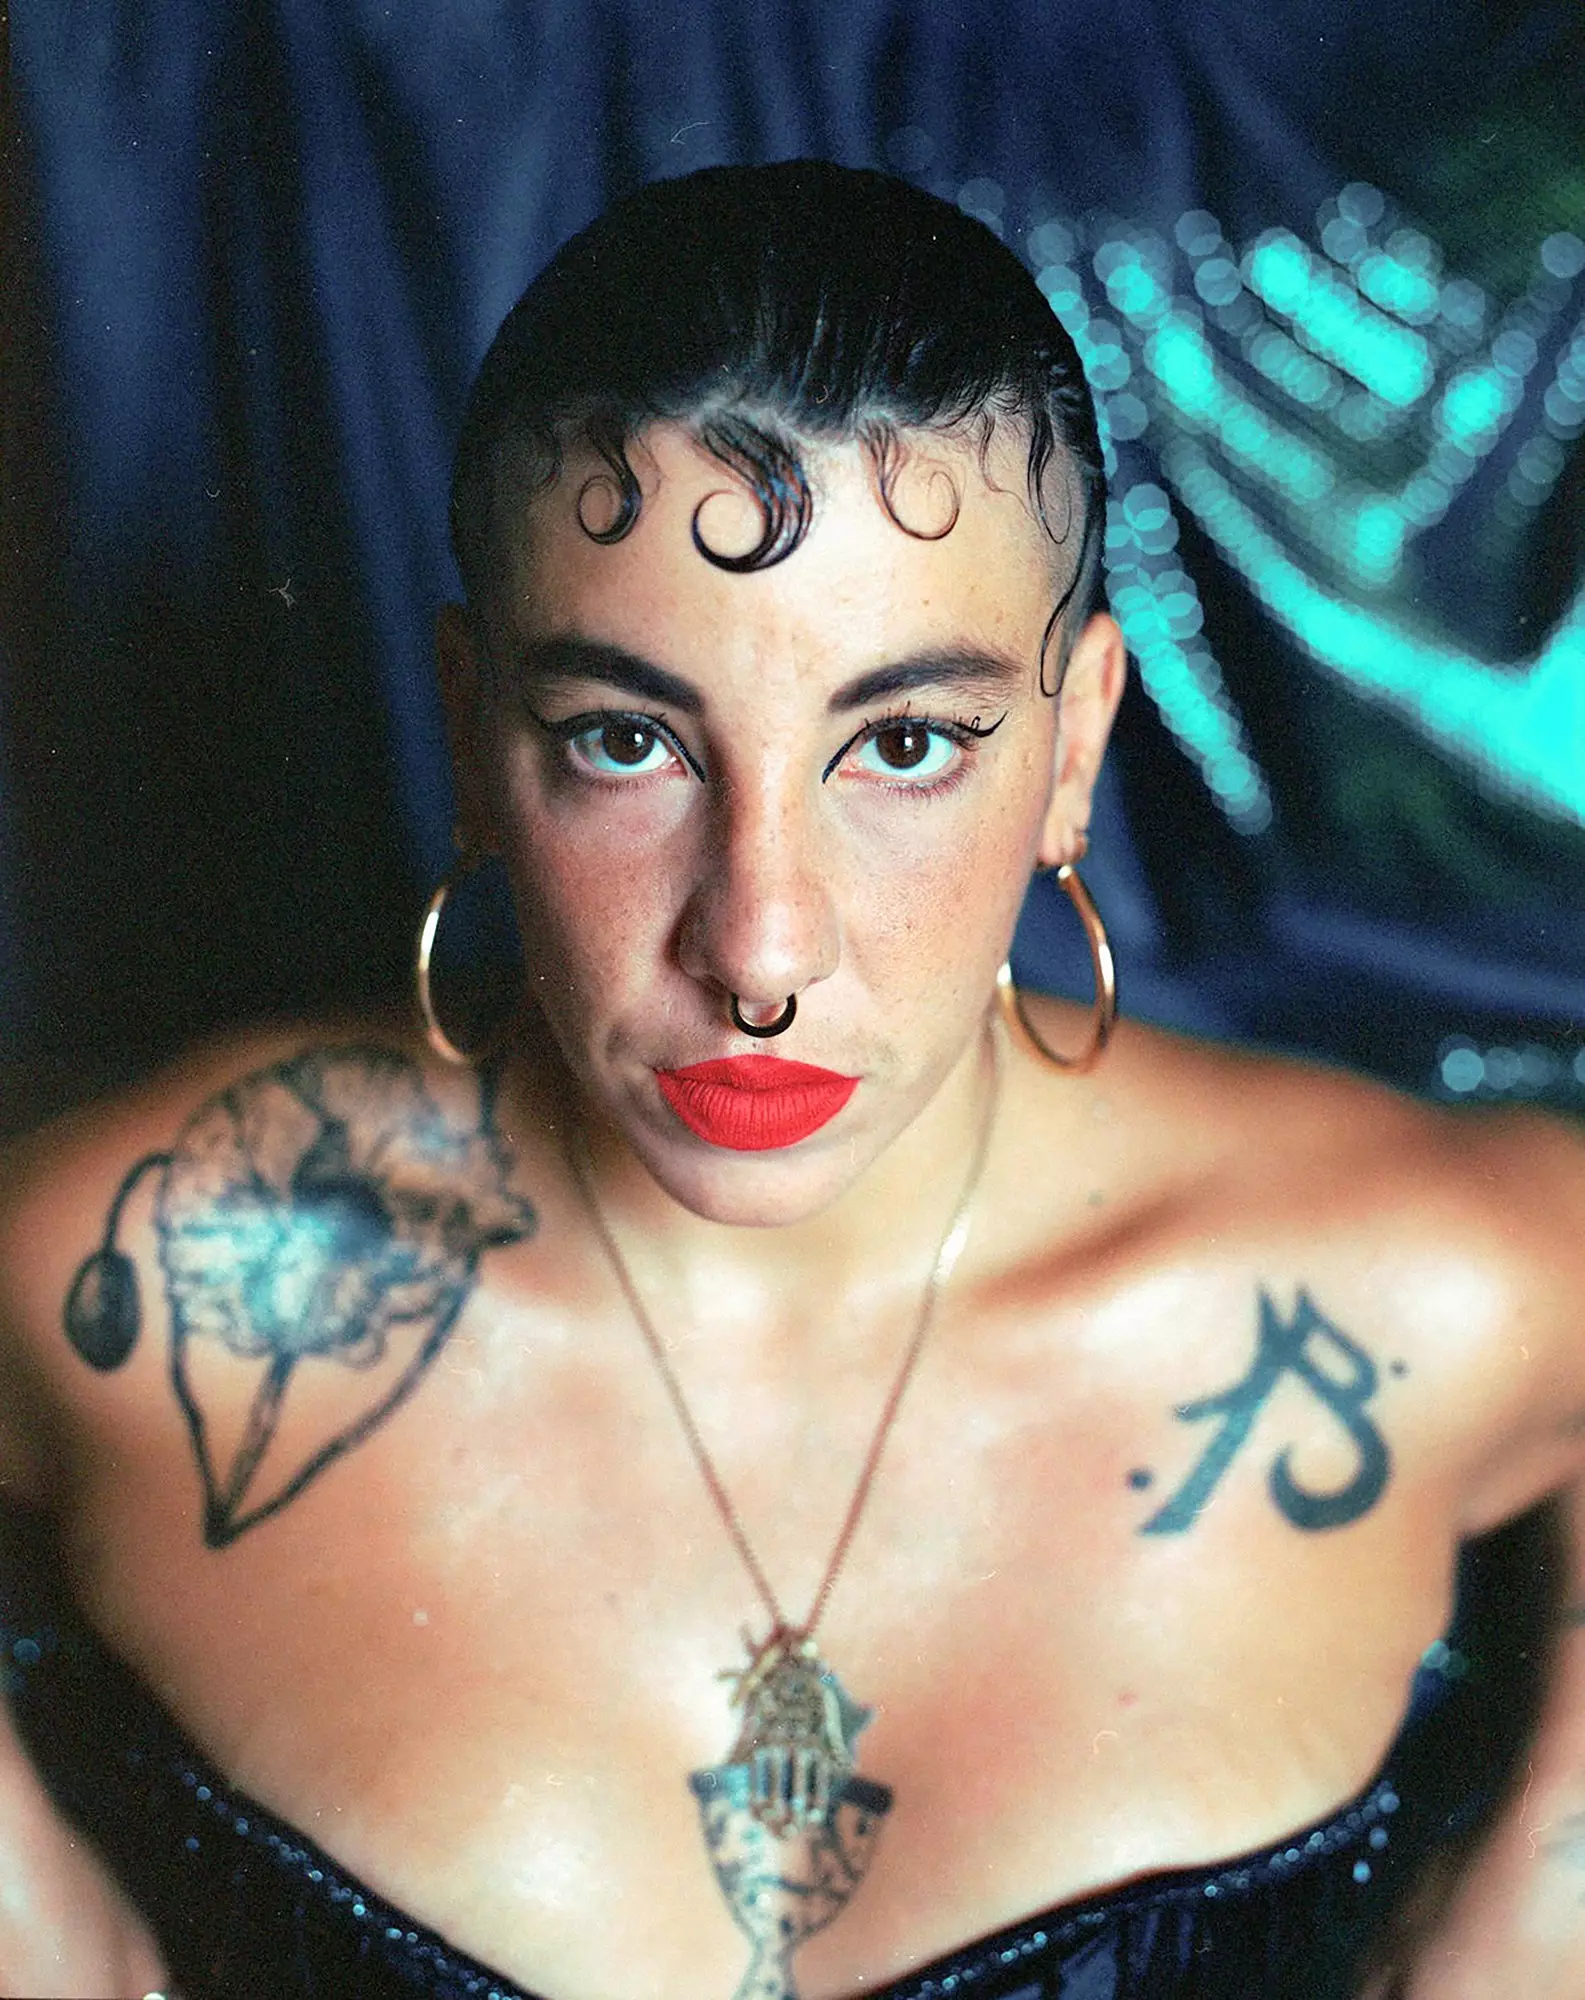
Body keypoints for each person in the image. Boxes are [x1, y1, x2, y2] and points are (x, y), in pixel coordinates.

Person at [0, 159, 1582, 2000]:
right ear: (472, 732)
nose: (758, 948)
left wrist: (1559, 1856)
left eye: (903, 743)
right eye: (626, 740)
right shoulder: (155, 1276)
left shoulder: (1427, 1287)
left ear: (1073, 748)